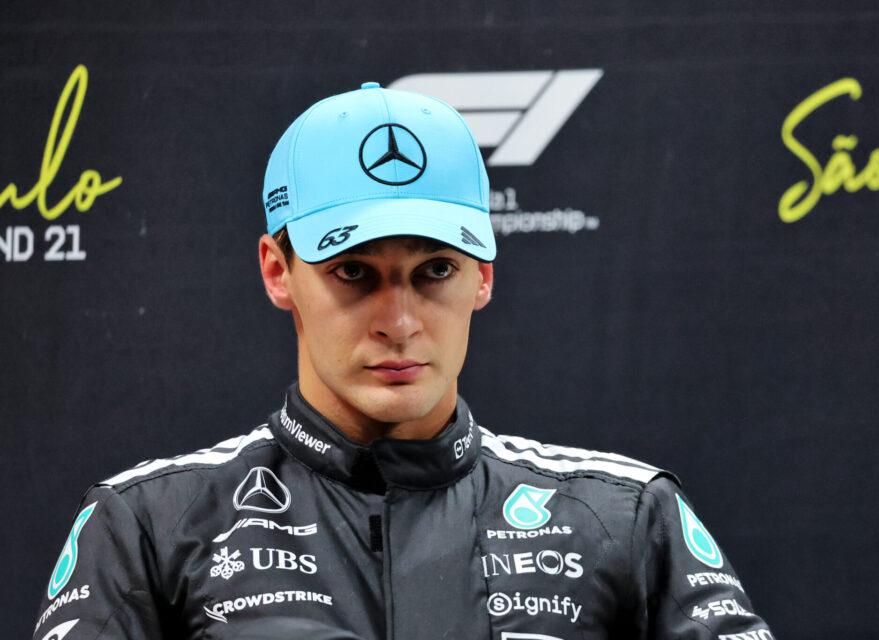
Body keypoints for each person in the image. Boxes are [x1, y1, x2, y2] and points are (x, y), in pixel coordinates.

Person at [31, 82, 774, 640]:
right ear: (277, 271)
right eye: (354, 271)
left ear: (483, 275)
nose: (400, 321)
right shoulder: (147, 527)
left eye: (435, 270)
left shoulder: (626, 517)